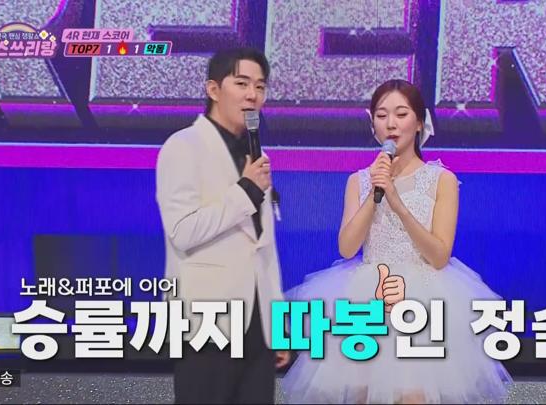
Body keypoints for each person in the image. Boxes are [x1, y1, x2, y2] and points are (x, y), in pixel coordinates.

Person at [281, 79, 512, 403]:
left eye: (401, 114)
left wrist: (397, 202)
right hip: (367, 296)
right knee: (361, 393)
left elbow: (439, 255)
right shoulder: (358, 181)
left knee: (412, 393)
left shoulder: (441, 180)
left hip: (423, 298)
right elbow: (347, 247)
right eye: (381, 115)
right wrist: (375, 192)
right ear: (372, 124)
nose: (391, 123)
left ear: (419, 122)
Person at [155, 47, 290, 404]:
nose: (252, 95)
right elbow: (182, 232)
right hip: (207, 321)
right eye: (241, 83)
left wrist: (278, 327)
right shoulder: (183, 146)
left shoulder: (257, 155)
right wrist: (245, 190)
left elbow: (264, 248)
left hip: (258, 325)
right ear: (213, 89)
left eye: (260, 86)